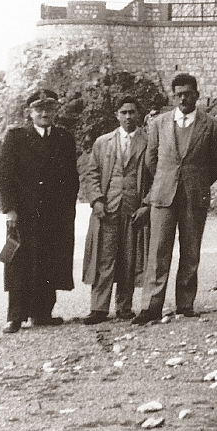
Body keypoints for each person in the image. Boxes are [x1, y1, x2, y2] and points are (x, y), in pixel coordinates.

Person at [134, 73, 217, 325]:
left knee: (191, 250)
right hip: (163, 195)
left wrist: (198, 180)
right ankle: (151, 306)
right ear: (173, 97)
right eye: (178, 94)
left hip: (194, 195)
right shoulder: (159, 124)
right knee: (158, 250)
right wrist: (167, 179)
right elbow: (151, 159)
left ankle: (185, 304)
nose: (183, 98)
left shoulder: (211, 125)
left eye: (188, 93)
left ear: (197, 94)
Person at [0, 88, 79, 333]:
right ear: (29, 113)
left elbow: (71, 177)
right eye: (39, 109)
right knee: (19, 262)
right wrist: (10, 209)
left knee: (49, 260)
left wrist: (67, 207)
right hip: (24, 212)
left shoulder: (64, 138)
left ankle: (43, 313)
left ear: (56, 111)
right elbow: (4, 176)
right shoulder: (16, 137)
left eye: (49, 108)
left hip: (54, 213)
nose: (44, 113)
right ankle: (15, 317)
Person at [80, 96, 151, 324]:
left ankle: (124, 307)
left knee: (129, 259)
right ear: (117, 115)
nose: (128, 116)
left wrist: (146, 205)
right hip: (107, 209)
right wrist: (96, 200)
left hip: (133, 209)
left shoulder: (148, 142)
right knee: (104, 257)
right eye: (124, 112)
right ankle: (98, 308)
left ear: (138, 114)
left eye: (132, 112)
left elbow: (155, 177)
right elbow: (90, 174)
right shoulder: (103, 142)